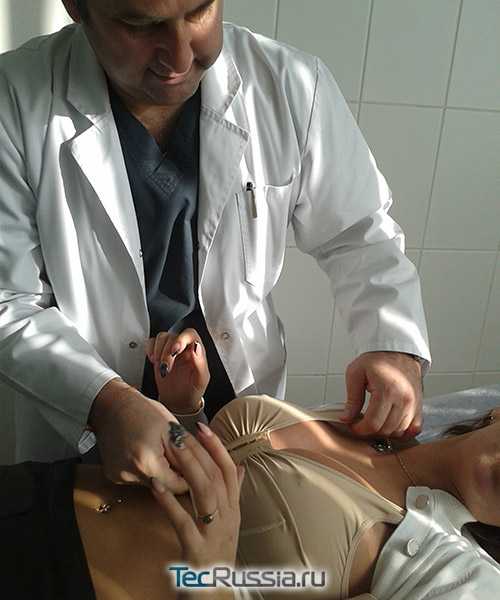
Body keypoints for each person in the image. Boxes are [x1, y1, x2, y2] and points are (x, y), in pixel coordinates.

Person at [0, 0, 431, 489]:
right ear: (76, 6)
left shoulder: (288, 84)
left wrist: (393, 344)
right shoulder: (14, 100)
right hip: (79, 424)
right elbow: (9, 300)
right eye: (140, 25)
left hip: (242, 423)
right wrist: (105, 403)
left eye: (199, 11)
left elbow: (358, 232)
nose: (180, 56)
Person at [1, 344, 499, 599]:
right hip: (42, 495)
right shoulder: (370, 423)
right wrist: (185, 412)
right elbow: (220, 491)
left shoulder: (461, 577)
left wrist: (211, 580)